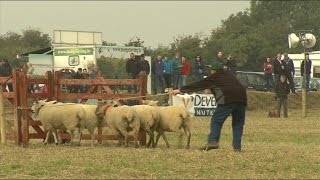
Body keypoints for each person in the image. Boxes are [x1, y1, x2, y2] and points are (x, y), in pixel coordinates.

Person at [172, 62, 247, 152]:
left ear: (213, 71)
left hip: (228, 99)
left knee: (216, 120)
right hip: (242, 99)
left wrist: (180, 90)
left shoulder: (214, 77)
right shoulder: (230, 75)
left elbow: (198, 85)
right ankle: (237, 147)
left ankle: (213, 141)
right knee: (238, 124)